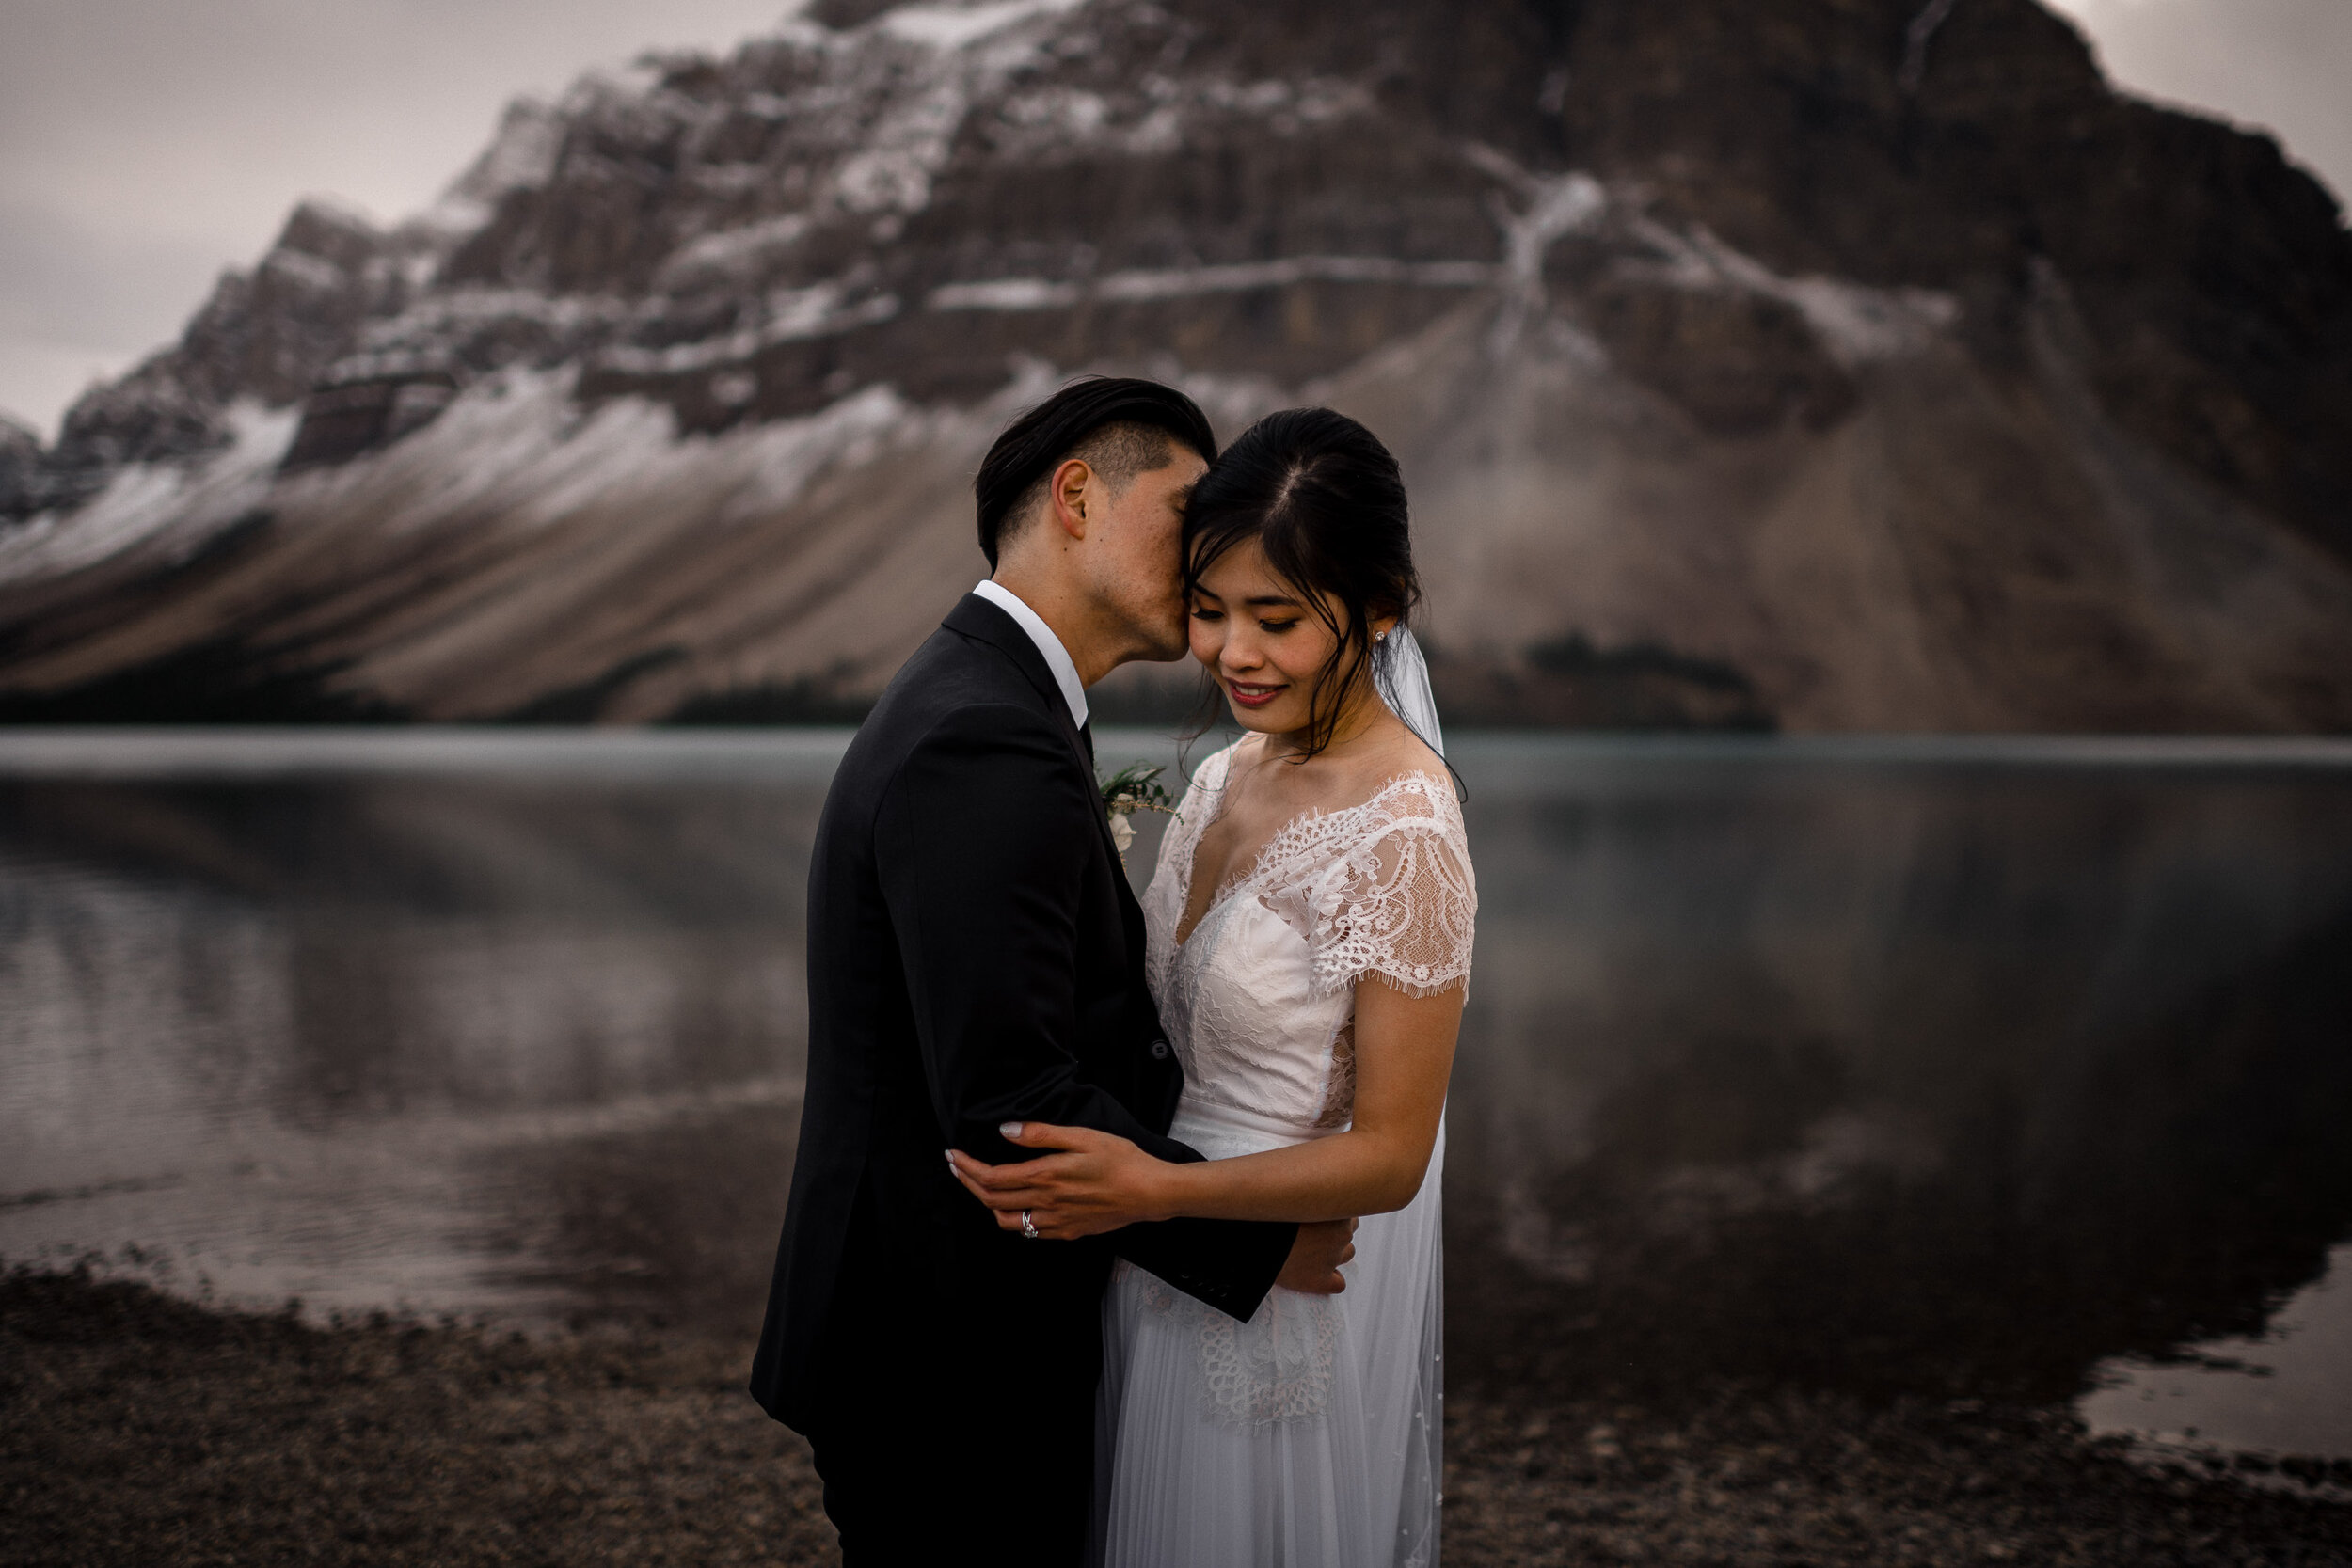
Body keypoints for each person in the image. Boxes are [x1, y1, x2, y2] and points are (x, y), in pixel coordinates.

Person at [746, 378, 1360, 1566]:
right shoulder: (984, 730)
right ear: (1078, 496)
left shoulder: (994, 696)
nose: (1210, 552)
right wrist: (1258, 1242)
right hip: (944, 1357)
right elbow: (1007, 1102)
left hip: (925, 1327)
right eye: (1187, 509)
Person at [948, 407, 1474, 1568]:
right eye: (1210, 608)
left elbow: (1391, 1153)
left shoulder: (1407, 826)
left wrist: (1151, 1192)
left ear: (1380, 604)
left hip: (1266, 1302)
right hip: (1145, 1268)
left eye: (1277, 618)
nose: (1234, 652)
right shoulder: (1223, 775)